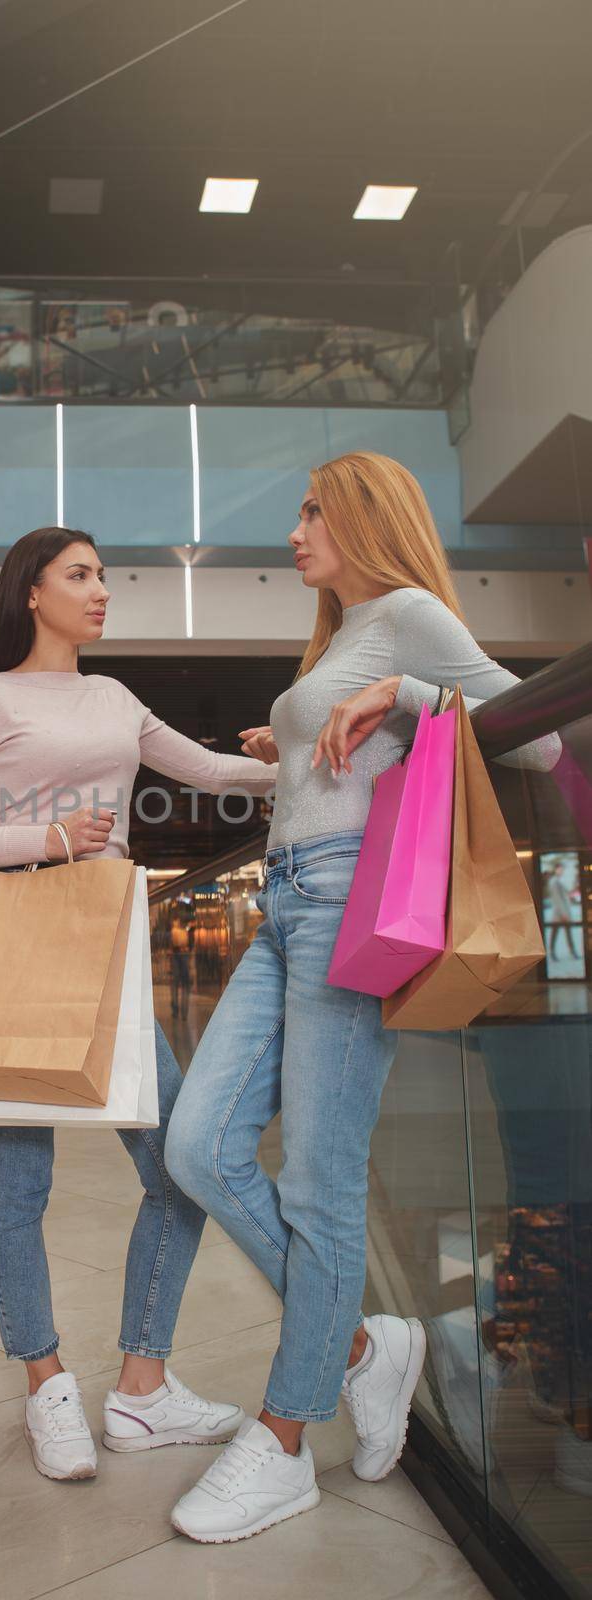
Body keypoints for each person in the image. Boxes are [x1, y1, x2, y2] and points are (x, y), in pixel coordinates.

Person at [163, 451, 562, 1544]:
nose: (292, 531)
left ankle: (285, 1438)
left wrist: (412, 691)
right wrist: (283, 745)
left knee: (320, 1182)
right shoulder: (336, 635)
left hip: (349, 905)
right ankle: (361, 1345)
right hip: (285, 899)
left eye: (308, 512)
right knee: (196, 1145)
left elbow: (548, 733)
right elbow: (338, 759)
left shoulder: (407, 613)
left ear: (360, 517)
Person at [0, 524, 278, 1484]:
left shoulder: (113, 696)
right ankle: (46, 1386)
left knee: (175, 1169)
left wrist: (300, 766)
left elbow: (204, 768)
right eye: (79, 575)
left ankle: (142, 1388)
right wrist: (49, 837)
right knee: (16, 1186)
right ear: (30, 591)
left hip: (106, 952)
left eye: (104, 576)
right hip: (14, 952)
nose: (101, 590)